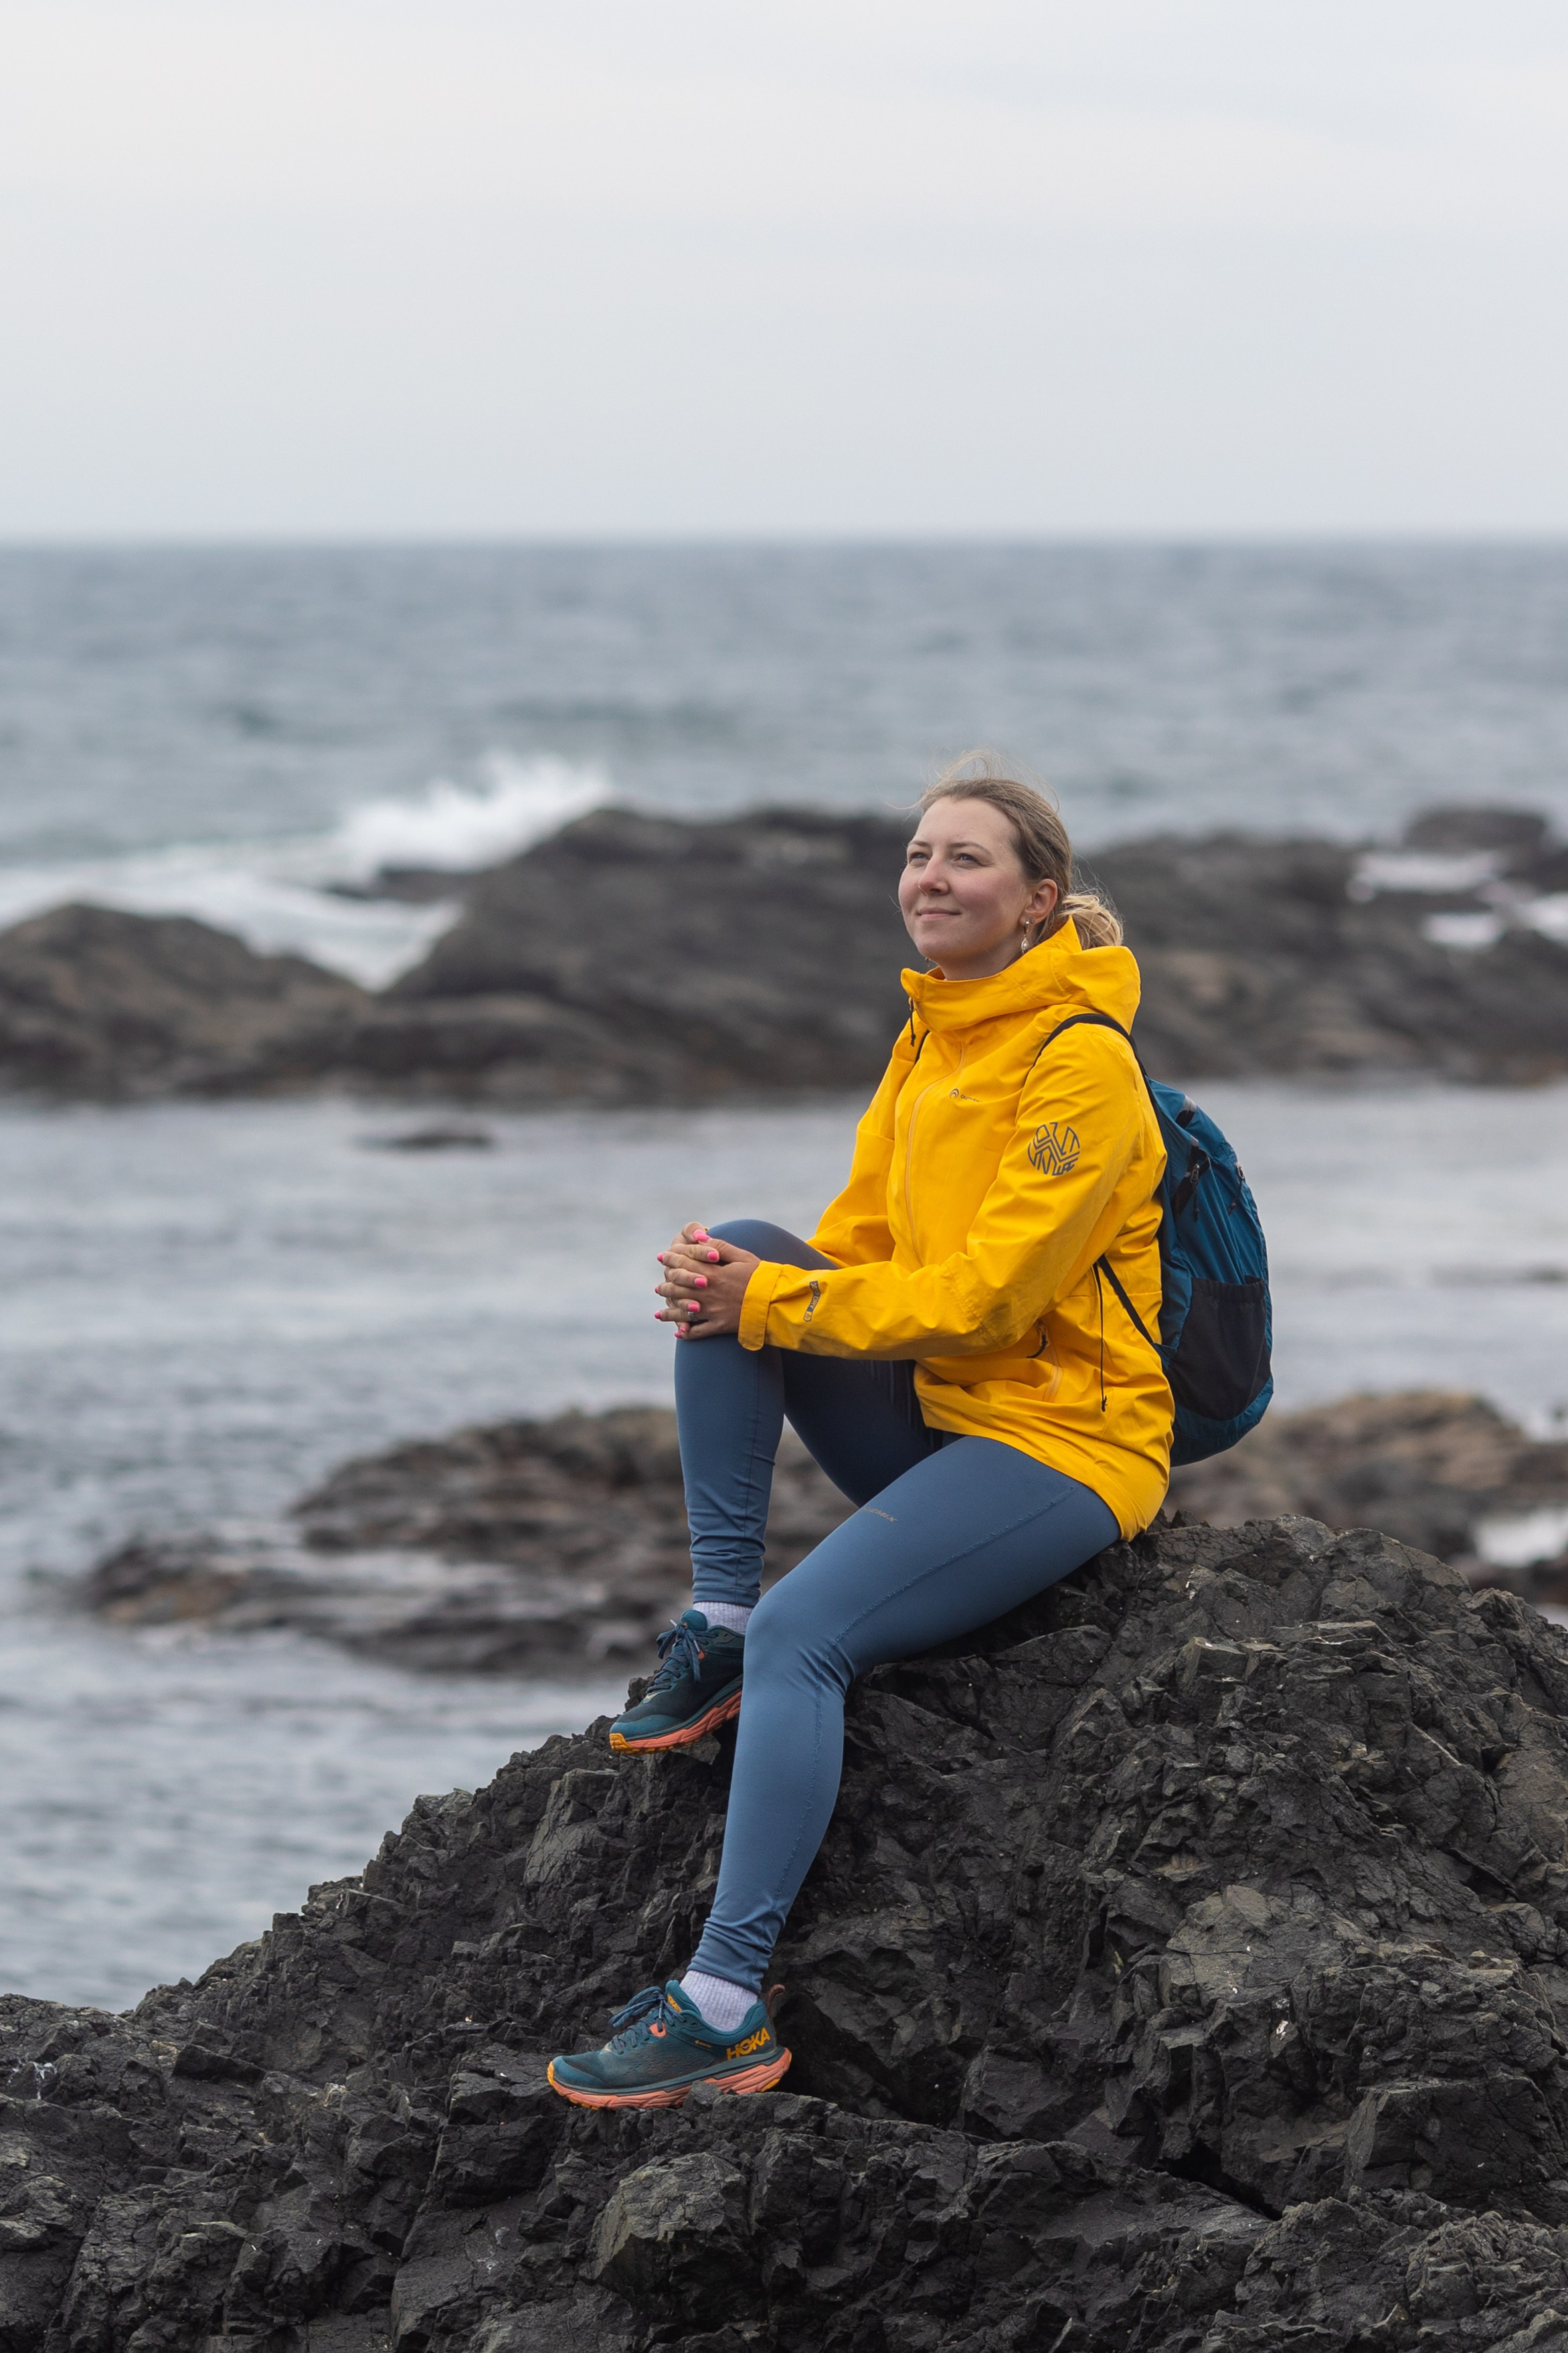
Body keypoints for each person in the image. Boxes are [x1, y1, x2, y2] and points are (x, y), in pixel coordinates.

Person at [546, 756, 1172, 2111]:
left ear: (1037, 899)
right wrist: (740, 1290)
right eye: (916, 856)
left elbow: (989, 1297)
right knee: (749, 1251)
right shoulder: (933, 1035)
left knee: (808, 1637)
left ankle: (721, 2006)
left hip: (1064, 1447)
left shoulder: (1080, 1070)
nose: (928, 878)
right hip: (942, 1423)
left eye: (964, 859)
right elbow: (860, 1257)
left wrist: (771, 1304)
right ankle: (712, 1616)